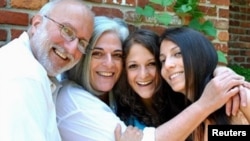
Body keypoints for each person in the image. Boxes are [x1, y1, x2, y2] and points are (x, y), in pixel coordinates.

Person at [56, 16, 245, 141]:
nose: (143, 74)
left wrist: (219, 71)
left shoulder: (189, 102)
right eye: (132, 66)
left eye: (153, 63)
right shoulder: (124, 116)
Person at [0, 0, 94, 141]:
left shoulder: (26, 65)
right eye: (67, 31)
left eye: (82, 43)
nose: (72, 49)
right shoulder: (25, 78)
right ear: (37, 24)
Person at [159, 27, 250, 141]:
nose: (167, 65)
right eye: (162, 60)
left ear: (200, 55)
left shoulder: (238, 95)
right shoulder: (179, 115)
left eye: (177, 53)